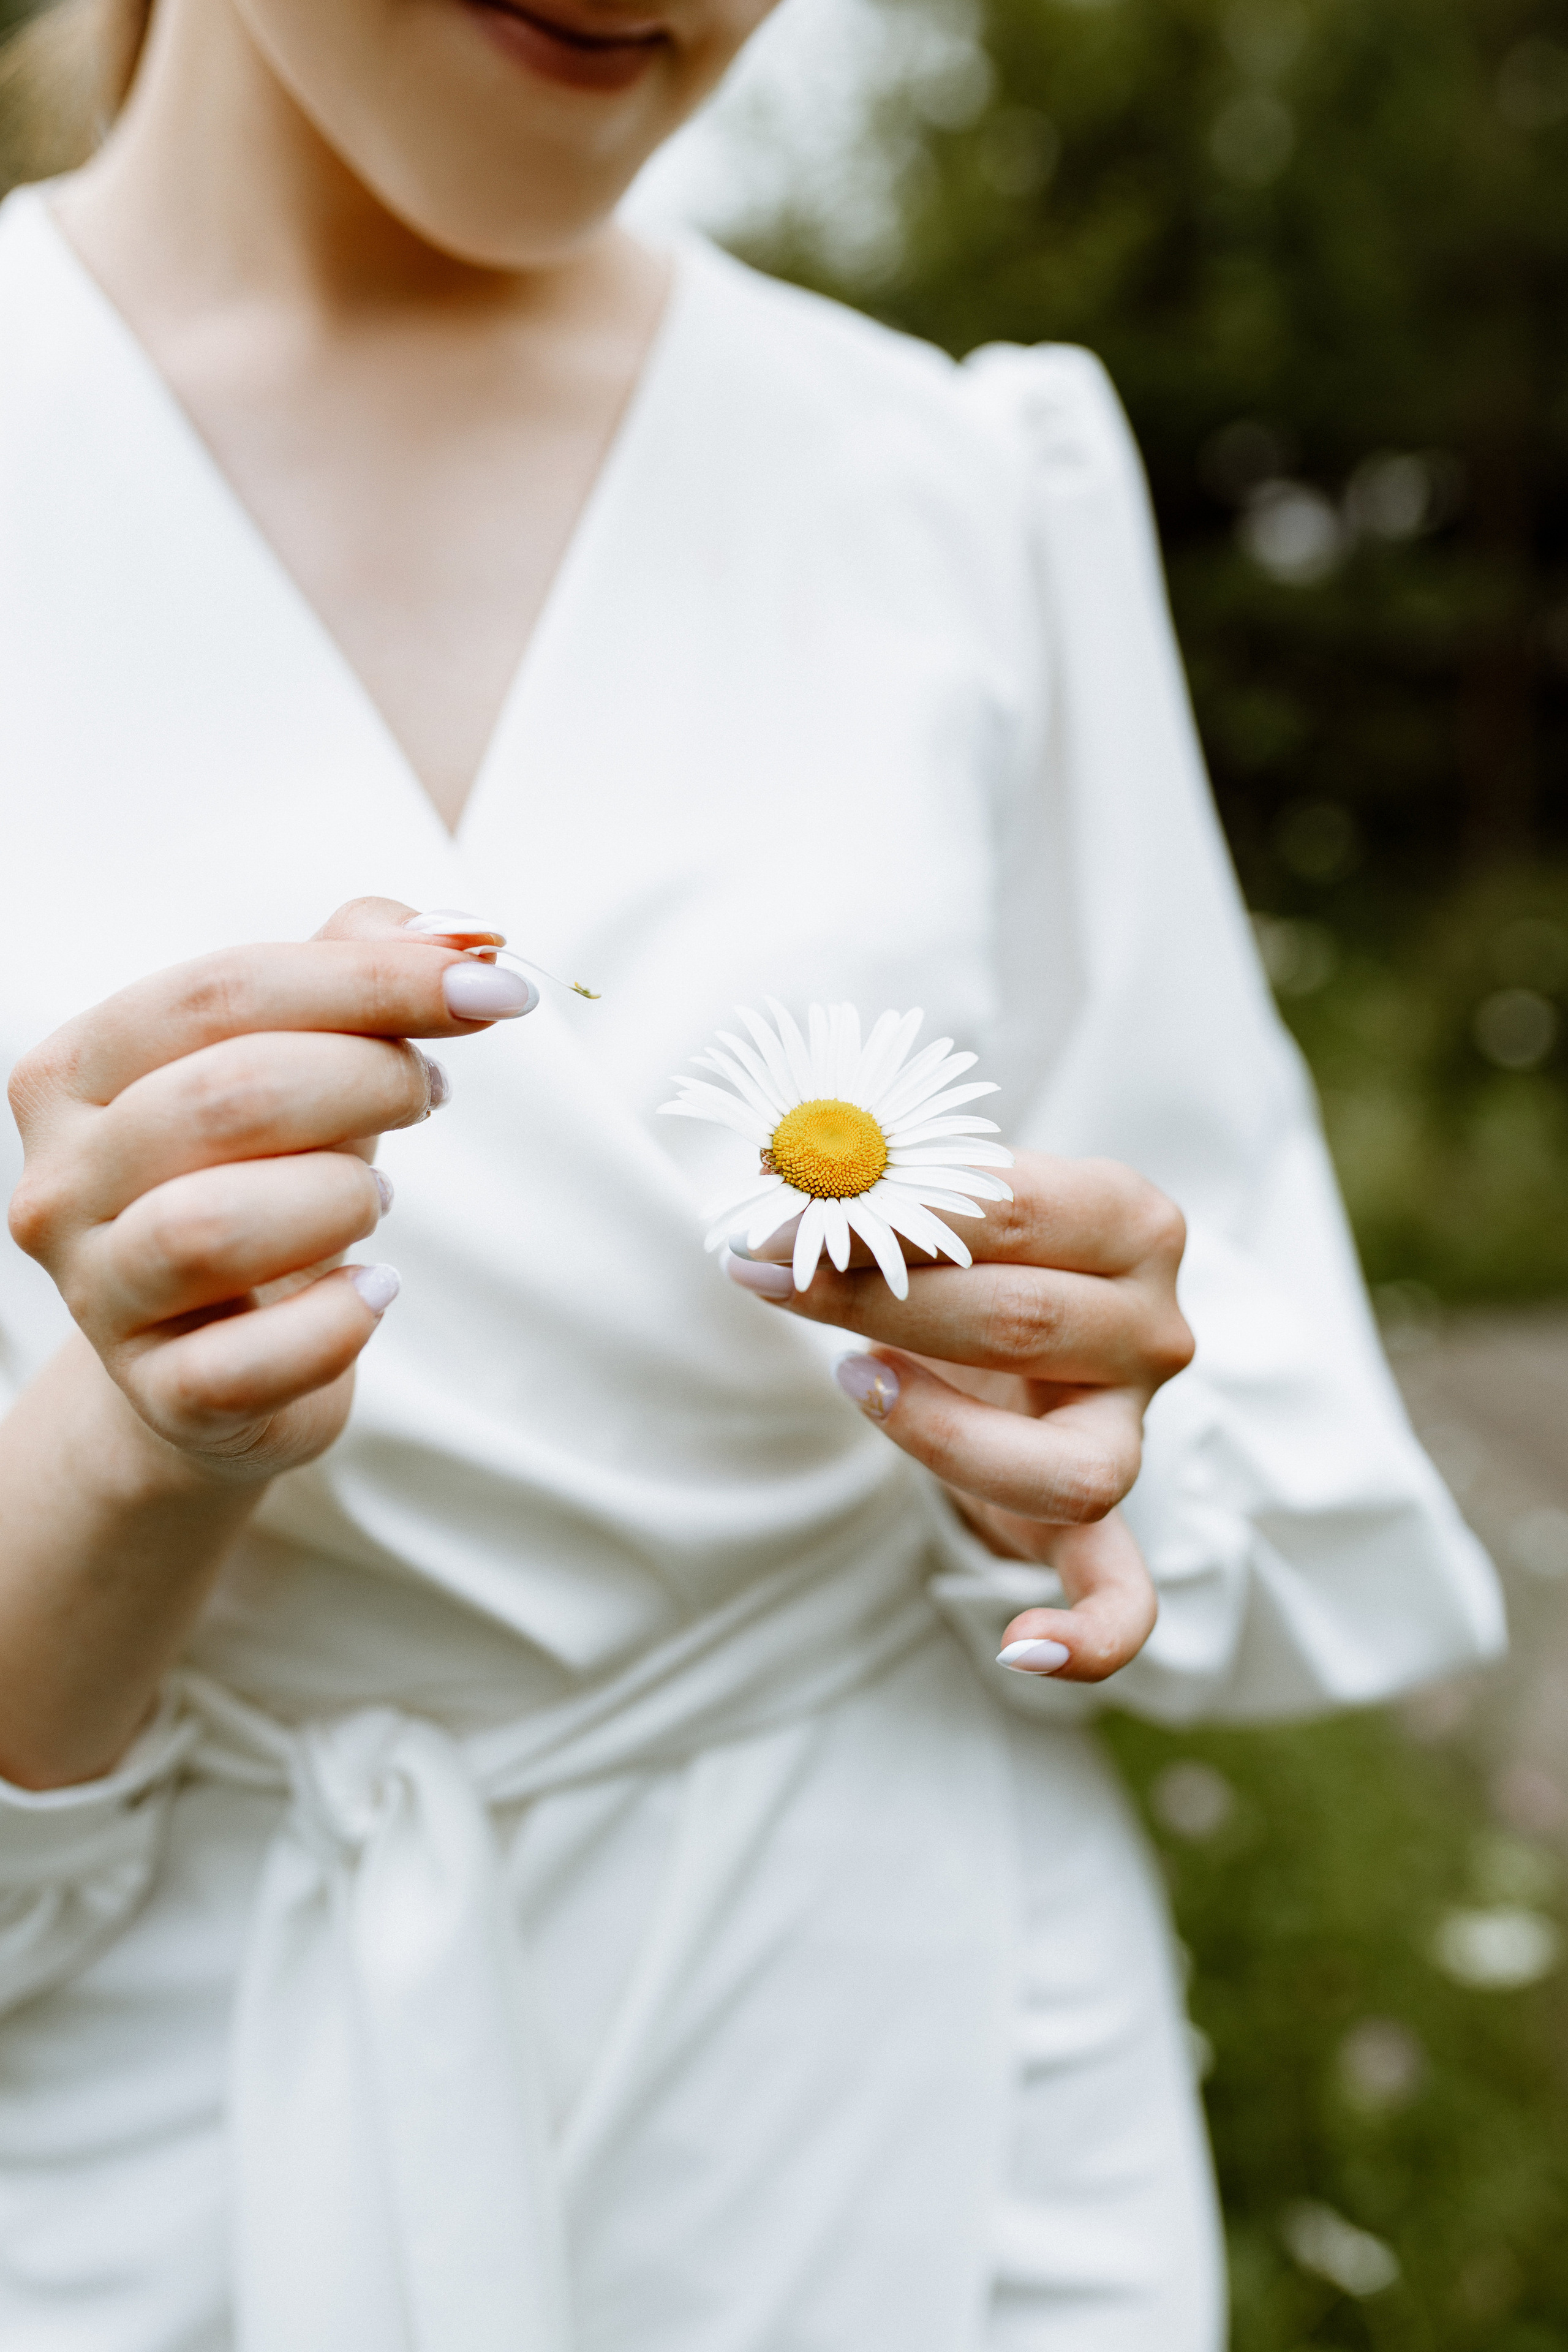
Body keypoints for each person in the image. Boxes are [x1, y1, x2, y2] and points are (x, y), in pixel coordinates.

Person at [0, 2, 1503, 2346]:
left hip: (928, 2117)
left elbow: (1247, 1422)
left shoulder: (957, 483)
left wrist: (1079, 1432)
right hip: (159, 2165)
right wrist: (127, 1451)